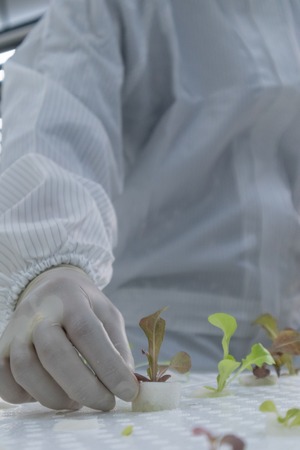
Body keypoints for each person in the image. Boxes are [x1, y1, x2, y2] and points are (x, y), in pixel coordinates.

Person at [1, 0, 300, 411]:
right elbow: (52, 121)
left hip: (282, 362)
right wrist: (50, 266)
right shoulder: (113, 9)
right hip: (135, 361)